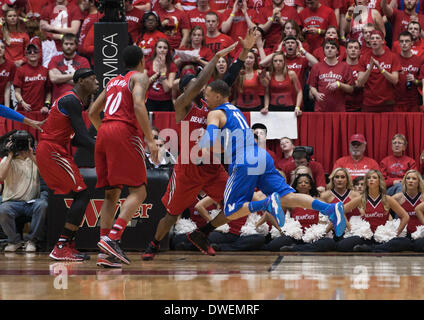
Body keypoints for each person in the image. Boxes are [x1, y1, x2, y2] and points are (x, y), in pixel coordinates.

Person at [186, 79, 347, 255]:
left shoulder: (215, 113)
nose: (204, 98)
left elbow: (209, 137)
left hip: (244, 160)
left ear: (217, 96)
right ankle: (330, 208)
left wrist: (200, 147)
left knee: (232, 211)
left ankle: (267, 203)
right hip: (261, 156)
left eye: (207, 95)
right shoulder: (236, 110)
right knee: (287, 197)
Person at [141, 30, 255, 261]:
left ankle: (202, 233)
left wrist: (244, 51)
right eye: (196, 85)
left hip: (213, 168)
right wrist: (213, 60)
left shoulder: (212, 104)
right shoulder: (182, 105)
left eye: (202, 86)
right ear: (186, 90)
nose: (202, 88)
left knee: (236, 205)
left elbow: (229, 78)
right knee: (172, 215)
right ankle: (153, 244)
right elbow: (200, 83)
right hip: (188, 169)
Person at [89, 45, 159, 268]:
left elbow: (92, 112)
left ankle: (104, 252)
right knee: (139, 190)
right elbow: (138, 104)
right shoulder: (141, 76)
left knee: (112, 193)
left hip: (104, 131)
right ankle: (114, 238)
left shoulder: (113, 81)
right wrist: (150, 139)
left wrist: (106, 132)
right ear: (142, 61)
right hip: (124, 131)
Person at [36, 68, 99, 261]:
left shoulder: (75, 102)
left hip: (57, 148)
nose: (97, 82)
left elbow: (77, 141)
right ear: (80, 81)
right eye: (92, 79)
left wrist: (98, 145)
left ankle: (66, 245)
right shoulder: (71, 100)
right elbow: (81, 137)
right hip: (52, 150)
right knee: (83, 193)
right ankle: (61, 245)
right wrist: (106, 149)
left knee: (81, 194)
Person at [337, 170, 410, 252]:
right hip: (365, 236)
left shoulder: (387, 199)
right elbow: (340, 211)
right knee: (342, 245)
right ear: (366, 182)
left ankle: (370, 248)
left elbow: (405, 216)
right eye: (368, 178)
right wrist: (350, 228)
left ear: (379, 181)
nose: (371, 180)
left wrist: (396, 233)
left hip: (383, 237)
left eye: (374, 178)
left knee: (405, 242)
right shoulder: (361, 199)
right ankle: (377, 248)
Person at [0, 130, 48, 252]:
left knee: (42, 205)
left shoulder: (35, 160)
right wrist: (10, 155)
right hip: (12, 202)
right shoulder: (7, 160)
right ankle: (14, 241)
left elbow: (46, 175)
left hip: (32, 202)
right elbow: (1, 177)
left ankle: (31, 240)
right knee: (3, 210)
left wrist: (32, 155)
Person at [263, 173, 336, 252]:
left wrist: (324, 232)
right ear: (296, 186)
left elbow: (334, 215)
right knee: (273, 245)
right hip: (295, 237)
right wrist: (281, 230)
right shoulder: (290, 202)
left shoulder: (318, 201)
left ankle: (295, 249)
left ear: (310, 186)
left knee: (329, 242)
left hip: (314, 238)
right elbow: (270, 212)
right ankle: (303, 248)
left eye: (306, 182)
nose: (303, 184)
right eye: (300, 183)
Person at [357, 30, 401, 112]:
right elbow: (359, 83)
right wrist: (370, 68)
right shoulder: (364, 57)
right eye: (372, 38)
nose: (374, 40)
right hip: (369, 104)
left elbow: (395, 80)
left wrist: (381, 69)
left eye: (377, 38)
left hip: (387, 104)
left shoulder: (392, 57)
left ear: (383, 41)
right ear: (369, 41)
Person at [308, 39, 354, 112]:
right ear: (324, 51)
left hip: (339, 110)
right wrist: (316, 94)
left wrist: (339, 84)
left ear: (337, 51)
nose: (329, 50)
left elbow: (351, 89)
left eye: (332, 48)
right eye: (327, 48)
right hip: (320, 109)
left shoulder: (345, 66)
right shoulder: (316, 67)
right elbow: (312, 86)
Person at [48, 33, 90, 102]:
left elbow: (85, 84)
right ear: (62, 45)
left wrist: (60, 76)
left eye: (71, 44)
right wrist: (75, 75)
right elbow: (53, 78)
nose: (68, 46)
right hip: (58, 101)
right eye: (66, 44)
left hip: (78, 101)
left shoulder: (83, 61)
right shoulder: (54, 59)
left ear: (76, 46)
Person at [13, 43, 51, 114]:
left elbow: (48, 92)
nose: (32, 53)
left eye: (35, 51)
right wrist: (22, 103)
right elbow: (17, 92)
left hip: (40, 111)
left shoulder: (45, 70)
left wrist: (47, 105)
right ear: (26, 55)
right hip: (23, 111)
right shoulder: (20, 70)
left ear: (39, 54)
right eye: (29, 52)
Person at [394, 31, 423, 112]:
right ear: (399, 43)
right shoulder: (393, 59)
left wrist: (415, 81)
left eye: (407, 41)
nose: (404, 44)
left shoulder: (419, 60)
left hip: (413, 102)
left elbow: (422, 83)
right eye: (401, 41)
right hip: (396, 102)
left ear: (412, 43)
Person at [145, 38, 177, 112]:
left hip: (165, 101)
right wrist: (155, 75)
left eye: (165, 48)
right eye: (159, 47)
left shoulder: (172, 65)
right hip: (150, 100)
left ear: (168, 50)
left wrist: (162, 71)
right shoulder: (148, 63)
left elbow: (167, 89)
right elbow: (144, 85)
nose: (162, 50)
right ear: (155, 49)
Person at [345, 39, 363, 112]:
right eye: (350, 48)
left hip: (361, 107)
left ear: (359, 51)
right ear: (346, 51)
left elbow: (362, 84)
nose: (353, 50)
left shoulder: (364, 67)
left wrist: (344, 84)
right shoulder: (340, 66)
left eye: (356, 48)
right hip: (342, 107)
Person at [0, 40, 15, 108]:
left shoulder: (10, 65)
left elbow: (7, 87)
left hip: (4, 101)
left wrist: (7, 107)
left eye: (2, 47)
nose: (0, 49)